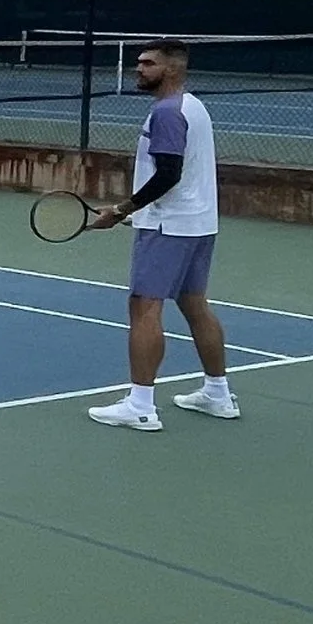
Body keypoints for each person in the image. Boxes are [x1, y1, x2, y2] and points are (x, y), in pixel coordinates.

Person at [86, 39, 235, 430]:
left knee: (144, 307)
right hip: (200, 224)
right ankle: (217, 394)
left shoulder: (167, 113)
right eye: (138, 62)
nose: (139, 68)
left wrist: (120, 211)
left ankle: (140, 404)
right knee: (195, 304)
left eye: (147, 63)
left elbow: (168, 173)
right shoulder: (194, 106)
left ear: (171, 69)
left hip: (168, 226)